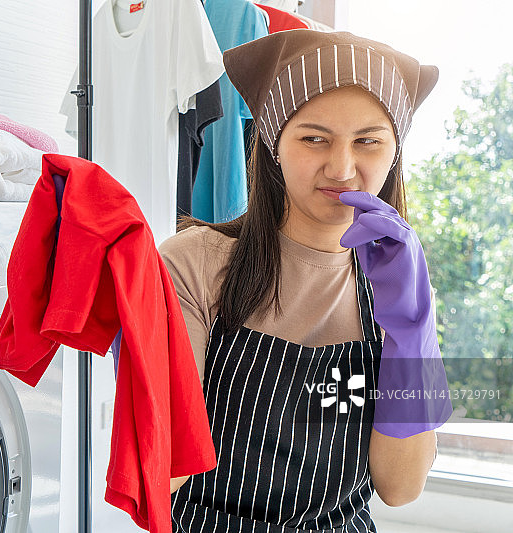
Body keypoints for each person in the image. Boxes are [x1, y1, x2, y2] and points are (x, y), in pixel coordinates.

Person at [160, 30, 453, 532]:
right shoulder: (197, 264)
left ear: (394, 152)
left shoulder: (395, 282)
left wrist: (412, 330)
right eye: (314, 138)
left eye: (368, 141)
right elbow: (162, 474)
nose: (342, 168)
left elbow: (400, 489)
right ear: (274, 144)